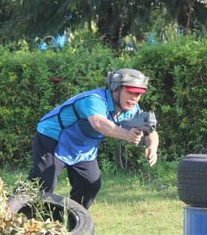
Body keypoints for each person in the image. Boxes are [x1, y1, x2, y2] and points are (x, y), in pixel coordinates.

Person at [28, 68, 160, 210]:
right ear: (116, 88)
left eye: (139, 94)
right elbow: (98, 123)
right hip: (53, 137)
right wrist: (127, 135)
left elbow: (150, 129)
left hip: (83, 147)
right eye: (130, 92)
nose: (134, 98)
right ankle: (16, 211)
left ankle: (74, 222)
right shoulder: (95, 100)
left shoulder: (132, 108)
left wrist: (152, 146)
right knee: (44, 182)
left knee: (90, 184)